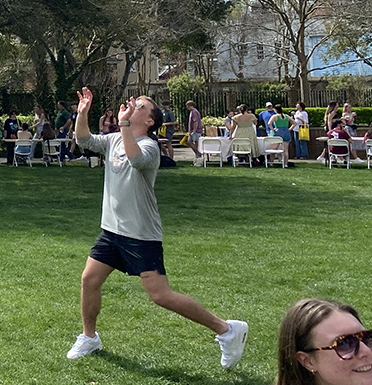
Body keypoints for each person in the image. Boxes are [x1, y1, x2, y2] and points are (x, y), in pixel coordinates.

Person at [65, 87, 248, 367]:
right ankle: (89, 337)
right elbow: (83, 139)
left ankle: (227, 329)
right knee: (89, 280)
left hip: (140, 234)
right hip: (112, 230)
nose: (131, 105)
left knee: (160, 295)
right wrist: (83, 113)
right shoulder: (114, 139)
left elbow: (136, 159)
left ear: (150, 121)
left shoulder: (150, 148)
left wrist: (124, 123)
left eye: (139, 105)